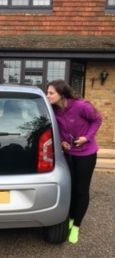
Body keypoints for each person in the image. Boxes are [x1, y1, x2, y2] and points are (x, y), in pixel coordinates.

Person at [46, 79, 103, 244]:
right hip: (69, 153)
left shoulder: (81, 106)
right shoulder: (54, 110)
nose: (48, 95)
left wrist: (87, 137)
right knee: (69, 188)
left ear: (61, 94)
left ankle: (76, 225)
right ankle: (70, 218)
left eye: (51, 93)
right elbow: (60, 130)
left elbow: (97, 120)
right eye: (48, 92)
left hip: (87, 154)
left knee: (81, 190)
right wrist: (63, 141)